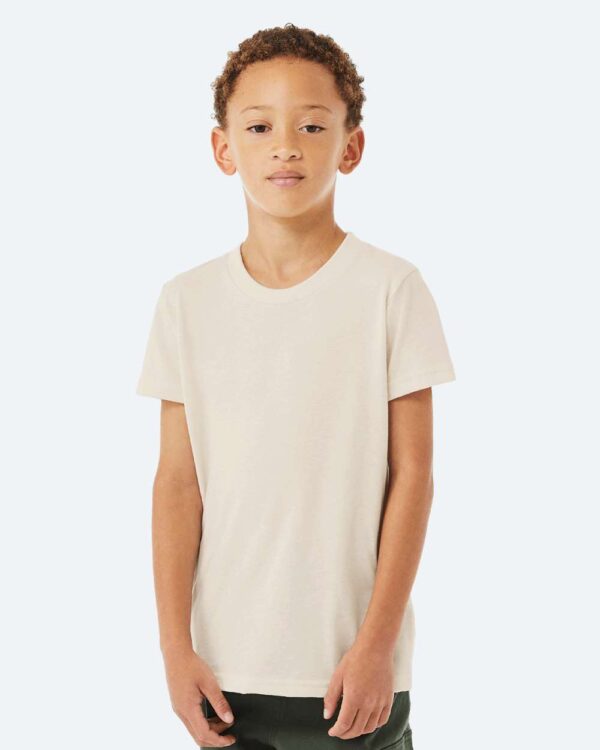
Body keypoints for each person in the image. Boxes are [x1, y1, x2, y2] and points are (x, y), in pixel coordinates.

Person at [136, 23, 456, 750]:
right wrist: (175, 651)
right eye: (259, 127)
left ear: (350, 146)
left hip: (351, 676)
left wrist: (376, 648)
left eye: (312, 125)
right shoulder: (186, 302)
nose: (286, 146)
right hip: (225, 674)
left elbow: (413, 476)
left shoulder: (390, 289)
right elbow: (177, 484)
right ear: (224, 149)